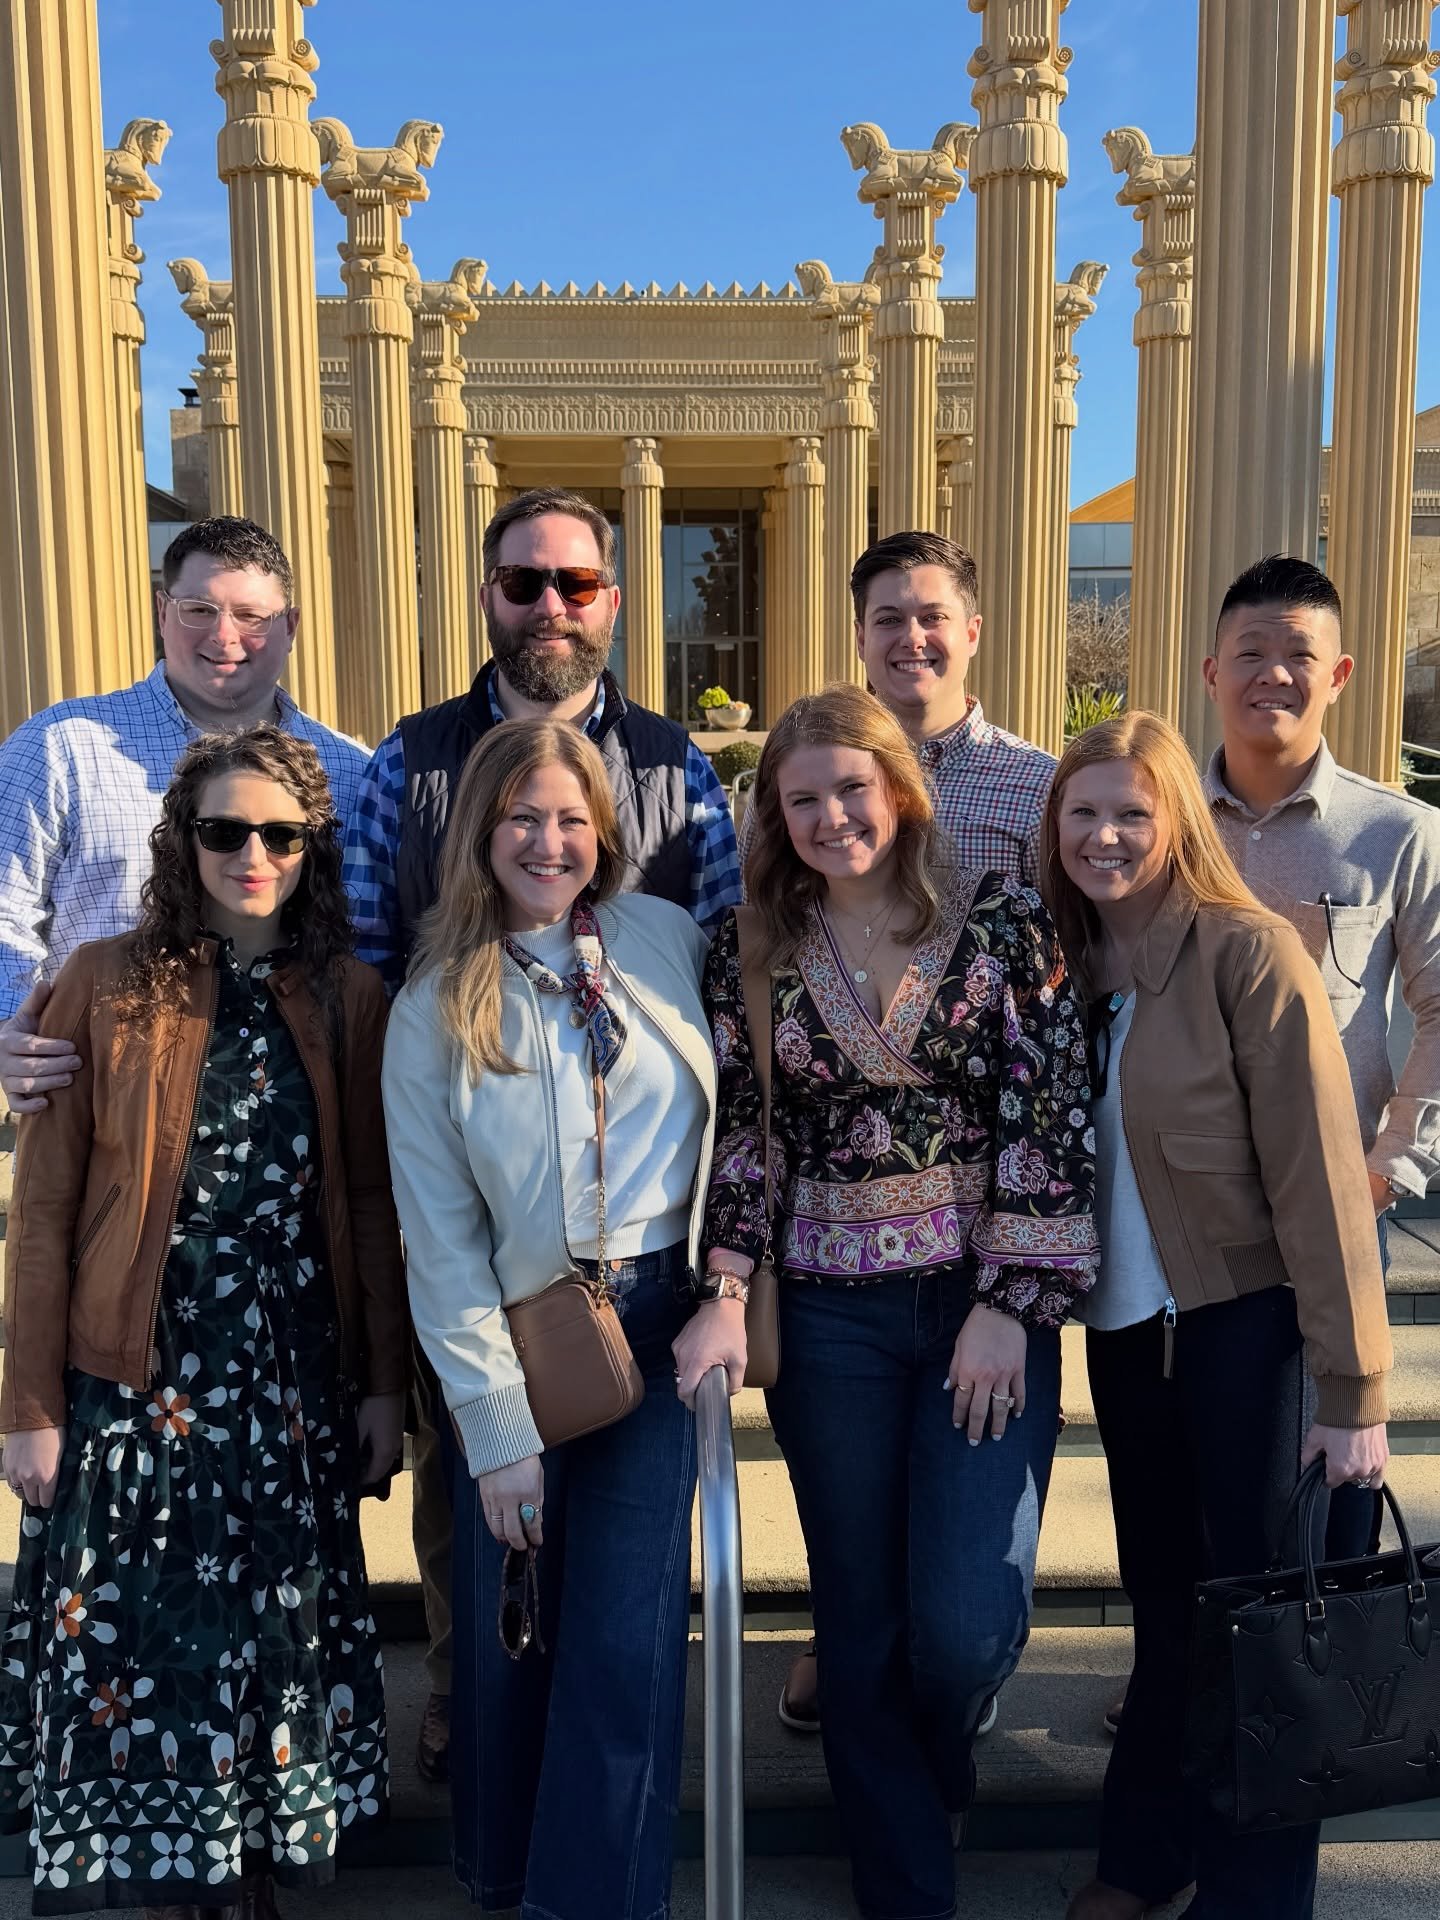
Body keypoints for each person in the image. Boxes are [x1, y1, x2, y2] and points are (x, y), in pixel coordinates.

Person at [344, 485, 741, 1783]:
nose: (552, 607)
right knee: (484, 1520)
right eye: (527, 583)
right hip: (474, 1165)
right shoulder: (406, 763)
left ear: (613, 601)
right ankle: (475, 1701)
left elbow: (730, 987)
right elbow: (358, 961)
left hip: (647, 1242)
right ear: (489, 595)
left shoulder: (678, 770)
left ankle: (573, 1790)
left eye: (578, 585)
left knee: (621, 1596)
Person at [702, 684, 1098, 1920]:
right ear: (775, 811)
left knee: (971, 1617)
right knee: (860, 1618)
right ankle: (906, 1879)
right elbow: (748, 1139)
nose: (831, 816)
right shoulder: (751, 945)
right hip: (829, 1323)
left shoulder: (1002, 919)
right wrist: (726, 1285)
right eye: (802, 797)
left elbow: (1052, 1107)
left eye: (852, 790)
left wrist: (1012, 1300)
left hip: (979, 1313)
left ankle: (930, 1774)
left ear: (902, 792)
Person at [0, 726, 407, 1920]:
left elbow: (375, 1204)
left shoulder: (348, 996)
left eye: (281, 835)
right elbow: (44, 1211)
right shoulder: (101, 978)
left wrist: (385, 1385)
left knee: (267, 1629)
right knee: (144, 1639)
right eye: (225, 831)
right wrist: (28, 1406)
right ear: (183, 841)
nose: (253, 855)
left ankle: (252, 1869)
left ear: (313, 850)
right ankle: (174, 1880)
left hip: (284, 1373)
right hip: (131, 1364)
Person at [381, 716, 736, 1919]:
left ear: (606, 831)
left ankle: (591, 1903)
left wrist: (729, 1292)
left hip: (662, 1318)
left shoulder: (668, 938)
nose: (549, 840)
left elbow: (748, 1126)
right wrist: (493, 1426)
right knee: (511, 1633)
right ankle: (502, 1871)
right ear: (481, 830)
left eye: (573, 818)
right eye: (524, 818)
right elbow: (441, 1241)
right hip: (519, 1336)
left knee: (625, 1646)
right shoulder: (434, 1004)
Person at [1041, 712, 1391, 1920]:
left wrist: (1352, 1396)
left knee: (1261, 1633)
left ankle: (1254, 1898)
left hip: (1252, 1335)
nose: (1105, 835)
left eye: (1133, 812)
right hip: (1134, 1343)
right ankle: (1150, 1858)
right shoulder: (1072, 966)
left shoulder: (1250, 954)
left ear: (1178, 820)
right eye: (1083, 811)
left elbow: (1324, 1184)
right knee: (1166, 1609)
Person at [777, 527, 1058, 1733]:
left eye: (932, 613)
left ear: (972, 627)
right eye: (888, 617)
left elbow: (1061, 1009)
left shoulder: (1039, 790)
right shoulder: (796, 838)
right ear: (863, 637)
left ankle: (949, 1658)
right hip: (837, 1256)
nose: (912, 636)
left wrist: (1025, 1261)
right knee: (862, 1563)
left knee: (961, 1603)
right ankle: (873, 1678)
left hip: (991, 1220)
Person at [1202, 553, 1440, 1552]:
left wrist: (1393, 1164)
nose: (1274, 674)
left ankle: (1315, 1699)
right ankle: (1197, 1680)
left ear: (1339, 675)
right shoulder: (1158, 828)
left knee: (1328, 1479)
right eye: (1250, 651)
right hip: (1188, 1220)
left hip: (1335, 1220)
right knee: (1196, 1478)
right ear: (1211, 671)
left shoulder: (1399, 834)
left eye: (1298, 653)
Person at [0, 515, 367, 1117]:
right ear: (162, 611)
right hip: (98, 1105)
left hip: (290, 1121)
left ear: (291, 627)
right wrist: (12, 1029)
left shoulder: (350, 771)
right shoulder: (61, 747)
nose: (224, 636)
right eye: (200, 609)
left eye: (252, 616)